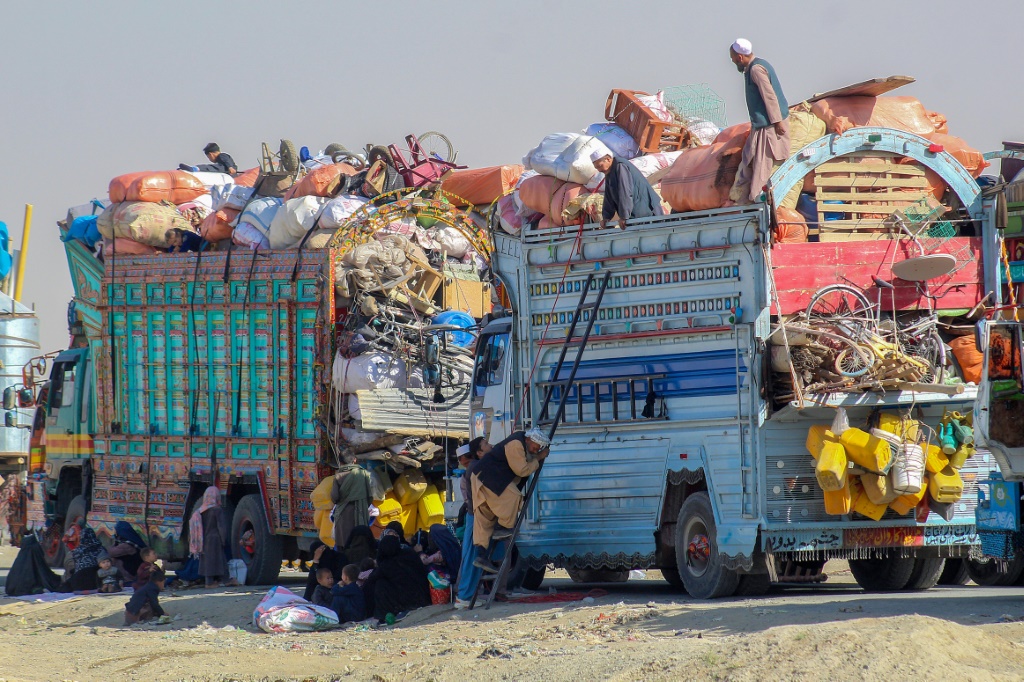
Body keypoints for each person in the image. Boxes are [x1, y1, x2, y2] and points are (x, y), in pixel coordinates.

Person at [470, 428, 550, 574]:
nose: (535, 450)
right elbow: (522, 470)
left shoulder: (521, 444)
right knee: (514, 496)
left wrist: (535, 456)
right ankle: (503, 527)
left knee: (485, 517)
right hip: (488, 477)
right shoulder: (516, 444)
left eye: (538, 448)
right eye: (534, 446)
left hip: (481, 477)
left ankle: (481, 555)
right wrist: (538, 458)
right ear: (528, 440)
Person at [728, 38, 791, 204]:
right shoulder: (755, 67)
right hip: (762, 126)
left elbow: (769, 96)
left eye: (733, 58)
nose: (733, 61)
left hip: (768, 127)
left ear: (740, 57)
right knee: (749, 159)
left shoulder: (756, 70)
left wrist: (777, 122)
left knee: (762, 168)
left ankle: (759, 204)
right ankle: (745, 200)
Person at [455, 437, 493, 609]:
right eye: (486, 444)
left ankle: (468, 595)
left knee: (475, 555)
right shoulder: (475, 468)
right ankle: (463, 596)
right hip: (475, 516)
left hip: (477, 516)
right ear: (478, 452)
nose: (489, 445)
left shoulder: (474, 467)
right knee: (471, 555)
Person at [591, 151, 664, 229]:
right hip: (637, 212)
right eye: (597, 168)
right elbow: (609, 196)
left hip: (648, 209)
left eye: (600, 166)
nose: (599, 170)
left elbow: (625, 191)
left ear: (608, 159)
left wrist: (624, 216)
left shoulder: (620, 166)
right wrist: (606, 217)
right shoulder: (609, 172)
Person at [371, 534, 431, 623]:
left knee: (380, 584)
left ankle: (383, 615)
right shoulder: (409, 554)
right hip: (423, 597)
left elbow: (372, 579)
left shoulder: (387, 563)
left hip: (407, 601)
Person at [189, 486, 229, 589]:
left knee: (208, 560)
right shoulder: (217, 510)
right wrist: (223, 539)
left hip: (203, 539)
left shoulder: (200, 511)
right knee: (219, 560)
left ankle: (217, 580)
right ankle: (213, 582)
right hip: (215, 538)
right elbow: (221, 526)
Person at [330, 453, 373, 551]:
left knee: (343, 544)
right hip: (361, 511)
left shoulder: (338, 476)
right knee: (360, 542)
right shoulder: (364, 474)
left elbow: (334, 497)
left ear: (340, 462)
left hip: (343, 513)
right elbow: (370, 497)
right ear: (354, 460)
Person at [60, 521, 104, 592]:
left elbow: (69, 567)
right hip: (96, 582)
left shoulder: (76, 552)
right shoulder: (100, 548)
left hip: (79, 584)